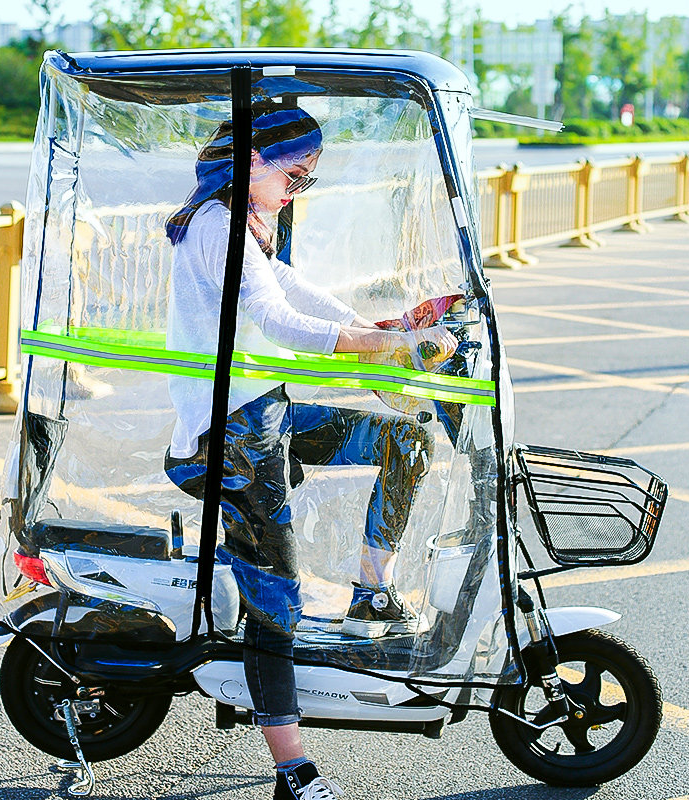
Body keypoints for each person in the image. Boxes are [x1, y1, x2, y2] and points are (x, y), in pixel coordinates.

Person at [164, 102, 457, 800]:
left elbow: (303, 295)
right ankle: (293, 769)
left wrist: (382, 327)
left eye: (309, 179)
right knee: (276, 594)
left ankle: (369, 590)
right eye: (295, 172)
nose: (300, 186)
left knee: (405, 439)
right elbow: (279, 320)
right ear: (250, 157)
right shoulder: (219, 227)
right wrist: (390, 344)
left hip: (268, 414)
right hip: (232, 436)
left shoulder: (250, 226)